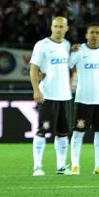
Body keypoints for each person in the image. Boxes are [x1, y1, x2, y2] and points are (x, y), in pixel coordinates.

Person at [30, 16, 73, 176]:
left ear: (66, 28)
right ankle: (37, 167)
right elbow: (34, 69)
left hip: (65, 96)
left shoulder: (67, 45)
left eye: (61, 26)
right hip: (48, 95)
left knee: (63, 132)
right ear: (51, 27)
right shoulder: (42, 45)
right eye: (55, 26)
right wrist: (36, 90)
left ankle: (61, 166)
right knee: (43, 131)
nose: (58, 29)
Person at [68, 23, 99, 175]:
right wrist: (70, 50)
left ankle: (98, 166)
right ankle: (75, 165)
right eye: (91, 32)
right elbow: (68, 64)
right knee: (78, 132)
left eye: (97, 33)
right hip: (83, 99)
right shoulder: (79, 50)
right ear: (86, 35)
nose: (94, 35)